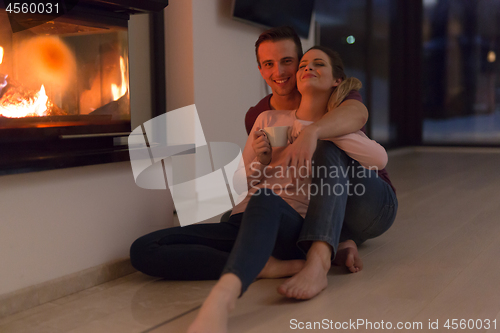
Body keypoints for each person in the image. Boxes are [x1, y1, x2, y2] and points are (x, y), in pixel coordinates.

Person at [186, 46, 397, 333]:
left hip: (369, 201)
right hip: (307, 212)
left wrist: (314, 131)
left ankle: (318, 261)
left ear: (336, 80)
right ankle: (282, 261)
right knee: (230, 220)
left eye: (292, 62)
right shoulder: (265, 116)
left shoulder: (342, 112)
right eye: (302, 66)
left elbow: (378, 158)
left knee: (326, 147)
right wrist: (261, 161)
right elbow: (242, 186)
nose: (295, 70)